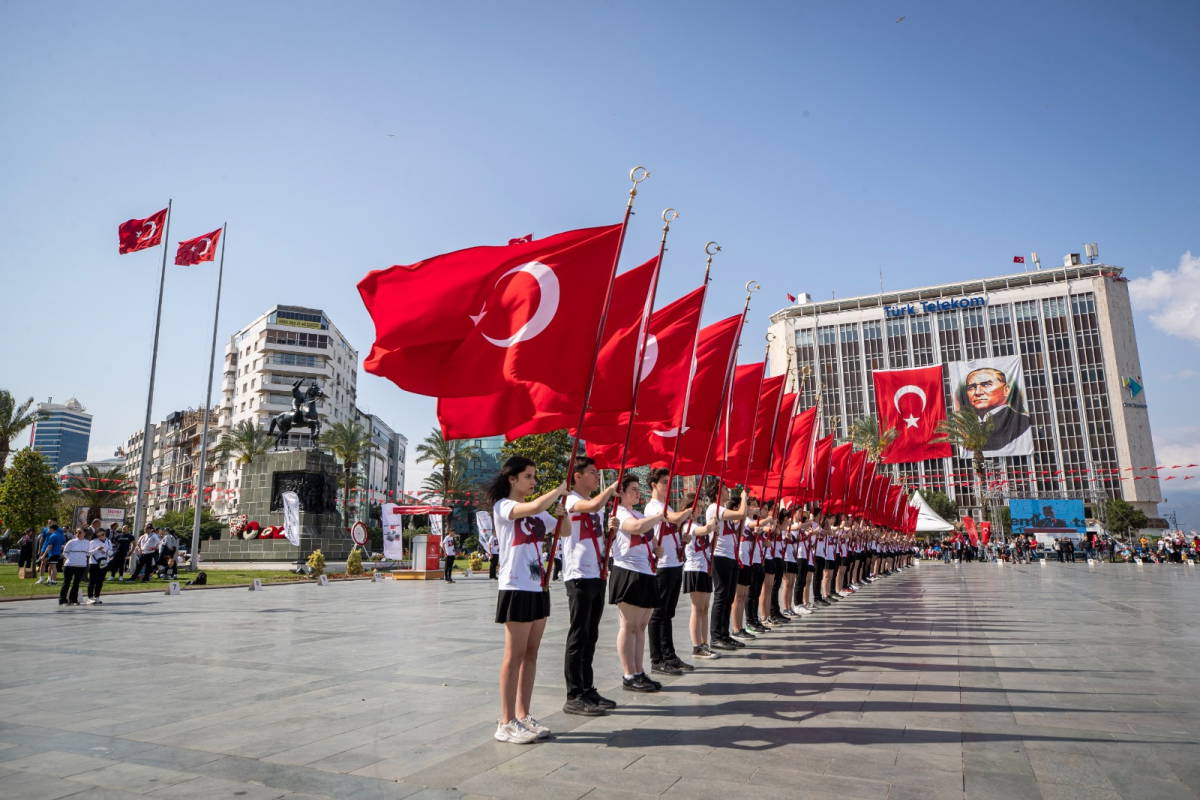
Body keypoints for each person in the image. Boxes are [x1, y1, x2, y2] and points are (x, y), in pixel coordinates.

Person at [489, 456, 565, 745]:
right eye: (528, 476)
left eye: (534, 476)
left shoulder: (539, 513)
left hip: (538, 586)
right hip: (516, 585)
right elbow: (532, 507)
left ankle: (523, 715)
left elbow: (565, 531)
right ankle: (505, 722)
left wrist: (563, 513)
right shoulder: (504, 506)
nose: (533, 481)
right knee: (514, 655)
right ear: (512, 479)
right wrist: (559, 490)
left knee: (531, 653)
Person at [560, 456, 618, 716]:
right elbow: (593, 505)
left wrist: (611, 530)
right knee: (579, 634)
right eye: (592, 472)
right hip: (579, 575)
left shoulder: (597, 506)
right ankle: (574, 694)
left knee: (591, 634)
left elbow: (596, 530)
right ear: (577, 476)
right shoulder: (571, 500)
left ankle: (587, 688)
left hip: (597, 572)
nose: (596, 476)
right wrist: (611, 489)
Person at [609, 474, 665, 693]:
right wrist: (658, 517)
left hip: (646, 571)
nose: (636, 492)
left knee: (641, 626)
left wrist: (656, 548)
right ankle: (628, 674)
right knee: (629, 625)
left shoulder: (639, 513)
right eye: (632, 489)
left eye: (637, 489)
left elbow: (650, 538)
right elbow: (636, 527)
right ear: (621, 492)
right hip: (628, 571)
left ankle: (639, 671)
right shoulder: (619, 513)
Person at [645, 467, 695, 677]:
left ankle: (670, 655)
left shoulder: (667, 506)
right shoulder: (653, 507)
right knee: (658, 614)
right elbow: (674, 518)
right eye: (664, 482)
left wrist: (682, 540)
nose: (668, 486)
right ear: (653, 485)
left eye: (669, 482)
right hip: (662, 566)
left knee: (668, 613)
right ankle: (657, 659)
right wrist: (689, 510)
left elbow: (672, 526)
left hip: (674, 563)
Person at [707, 487, 749, 650]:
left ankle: (725, 634)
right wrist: (744, 498)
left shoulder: (723, 509)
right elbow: (740, 513)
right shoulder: (715, 508)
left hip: (731, 556)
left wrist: (743, 518)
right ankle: (716, 636)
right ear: (717, 493)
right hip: (720, 556)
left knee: (729, 597)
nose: (728, 492)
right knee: (721, 596)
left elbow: (738, 526)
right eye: (725, 489)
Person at [681, 493, 719, 660]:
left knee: (704, 608)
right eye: (696, 507)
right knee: (697, 609)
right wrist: (713, 521)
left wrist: (714, 534)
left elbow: (709, 545)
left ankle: (704, 643)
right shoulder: (687, 526)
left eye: (700, 507)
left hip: (705, 568)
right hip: (694, 569)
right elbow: (705, 530)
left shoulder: (697, 524)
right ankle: (697, 646)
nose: (699, 510)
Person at [961, 366, 1032, 452]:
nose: (977, 392)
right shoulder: (967, 426)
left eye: (986, 384)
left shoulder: (1022, 421)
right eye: (971, 387)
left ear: (1006, 390)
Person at [59, 528, 90, 606]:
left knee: (76, 583)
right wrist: (71, 559)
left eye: (80, 532)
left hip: (81, 566)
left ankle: (73, 600)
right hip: (69, 565)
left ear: (84, 533)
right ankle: (62, 600)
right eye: (76, 532)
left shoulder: (87, 542)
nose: (78, 534)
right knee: (66, 583)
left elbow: (88, 553)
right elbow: (65, 552)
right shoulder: (71, 542)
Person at [86, 527, 113, 604]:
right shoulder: (93, 542)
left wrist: (106, 551)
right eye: (99, 535)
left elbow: (111, 553)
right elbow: (88, 553)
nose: (101, 536)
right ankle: (90, 598)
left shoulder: (108, 541)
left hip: (104, 563)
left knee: (100, 581)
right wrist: (97, 549)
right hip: (94, 563)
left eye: (103, 534)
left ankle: (97, 597)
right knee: (92, 581)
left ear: (105, 533)